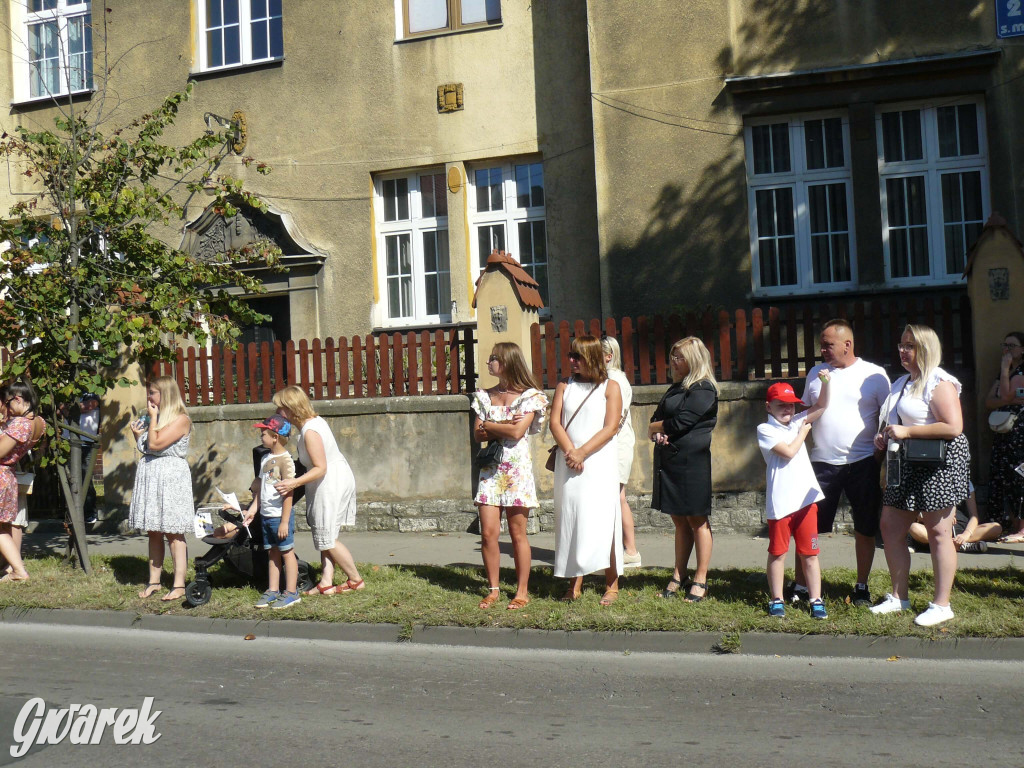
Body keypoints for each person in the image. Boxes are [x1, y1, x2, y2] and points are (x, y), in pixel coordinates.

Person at [872, 324, 970, 627]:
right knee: (890, 527)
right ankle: (899, 597)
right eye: (901, 344)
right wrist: (886, 435)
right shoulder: (902, 382)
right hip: (907, 461)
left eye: (910, 346)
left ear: (925, 349)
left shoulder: (939, 382)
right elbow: (899, 421)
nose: (903, 351)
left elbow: (953, 427)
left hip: (937, 464)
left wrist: (908, 430)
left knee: (939, 533)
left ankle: (942, 605)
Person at [801, 319, 890, 607]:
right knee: (808, 526)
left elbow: (887, 419)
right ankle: (803, 584)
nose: (823, 350)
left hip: (863, 462)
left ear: (847, 344)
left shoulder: (874, 375)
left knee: (864, 528)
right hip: (822, 463)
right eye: (822, 345)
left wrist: (879, 454)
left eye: (828, 344)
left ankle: (862, 586)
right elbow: (807, 412)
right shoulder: (816, 373)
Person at [471, 342, 548, 610]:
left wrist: (491, 426)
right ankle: (493, 589)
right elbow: (478, 433)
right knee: (489, 532)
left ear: (507, 362)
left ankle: (521, 590)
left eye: (493, 358)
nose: (489, 363)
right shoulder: (483, 395)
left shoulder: (530, 397)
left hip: (516, 471)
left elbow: (517, 433)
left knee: (518, 533)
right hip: (490, 470)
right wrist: (502, 425)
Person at [550, 335, 623, 605]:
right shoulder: (563, 386)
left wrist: (583, 452)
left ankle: (611, 583)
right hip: (569, 464)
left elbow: (610, 427)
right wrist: (572, 451)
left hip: (598, 463)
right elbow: (555, 423)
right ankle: (574, 581)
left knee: (605, 520)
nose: (571, 361)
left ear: (591, 357)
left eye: (576, 356)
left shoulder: (610, 387)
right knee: (572, 520)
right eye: (570, 355)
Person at [272, 385, 364, 595]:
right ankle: (326, 581)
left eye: (280, 409)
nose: (277, 413)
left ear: (291, 408)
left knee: (327, 537)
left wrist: (293, 483)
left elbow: (320, 468)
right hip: (330, 480)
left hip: (331, 482)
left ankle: (356, 579)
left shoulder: (310, 431)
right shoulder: (310, 425)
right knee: (326, 532)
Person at [649, 337, 719, 602]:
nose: (673, 362)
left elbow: (681, 422)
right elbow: (658, 418)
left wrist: (657, 428)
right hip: (671, 460)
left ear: (694, 359)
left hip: (692, 462)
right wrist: (657, 431)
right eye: (672, 356)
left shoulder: (704, 389)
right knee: (679, 519)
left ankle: (701, 578)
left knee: (697, 519)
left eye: (679, 357)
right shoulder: (676, 388)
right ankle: (679, 574)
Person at [758, 378, 831, 619]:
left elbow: (821, 406)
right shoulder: (765, 429)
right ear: (769, 407)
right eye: (781, 405)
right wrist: (802, 432)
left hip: (806, 500)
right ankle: (776, 599)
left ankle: (815, 599)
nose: (788, 409)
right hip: (781, 503)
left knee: (810, 553)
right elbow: (788, 452)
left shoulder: (798, 420)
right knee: (778, 553)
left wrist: (826, 384)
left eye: (792, 405)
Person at [129, 376, 194, 601]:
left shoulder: (180, 419)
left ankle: (179, 585)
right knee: (154, 531)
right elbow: (147, 447)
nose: (149, 397)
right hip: (152, 476)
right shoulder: (154, 419)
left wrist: (154, 419)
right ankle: (154, 581)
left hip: (171, 479)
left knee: (174, 533)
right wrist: (139, 435)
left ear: (165, 394)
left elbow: (155, 444)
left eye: (153, 393)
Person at [241, 414, 301, 609]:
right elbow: (261, 489)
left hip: (279, 517)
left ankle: (291, 592)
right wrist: (252, 510)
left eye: (263, 433)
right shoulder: (266, 458)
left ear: (275, 437)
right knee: (272, 553)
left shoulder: (286, 461)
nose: (261, 436)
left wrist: (284, 521)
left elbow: (289, 493)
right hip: (266, 515)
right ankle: (273, 590)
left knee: (287, 552)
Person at [601, 336, 641, 568]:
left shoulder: (614, 378)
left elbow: (617, 416)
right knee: (617, 496)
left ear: (608, 356)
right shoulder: (613, 377)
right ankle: (623, 548)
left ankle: (630, 550)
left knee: (617, 496)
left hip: (616, 443)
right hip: (615, 442)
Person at [0, 381, 45, 583]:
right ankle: (16, 569)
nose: (7, 410)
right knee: (3, 527)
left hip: (1, 474)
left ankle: (19, 570)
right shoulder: (36, 422)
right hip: (7, 475)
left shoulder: (19, 424)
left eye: (8, 404)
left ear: (17, 399)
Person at [984, 331, 1024, 541]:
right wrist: (1005, 400)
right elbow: (990, 401)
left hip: (1020, 433)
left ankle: (1022, 529)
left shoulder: (1019, 372)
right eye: (1005, 344)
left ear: (1022, 349)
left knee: (1020, 477)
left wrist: (1004, 369)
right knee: (1005, 477)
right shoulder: (1006, 372)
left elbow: (1007, 394)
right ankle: (1010, 524)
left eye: (1012, 345)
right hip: (1004, 432)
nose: (1007, 349)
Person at [909, 484, 1001, 553]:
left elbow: (974, 516)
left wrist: (966, 534)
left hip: (960, 527)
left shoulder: (966, 483)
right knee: (914, 528)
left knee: (996, 528)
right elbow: (917, 514)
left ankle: (958, 543)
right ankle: (960, 546)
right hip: (935, 528)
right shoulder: (928, 482)